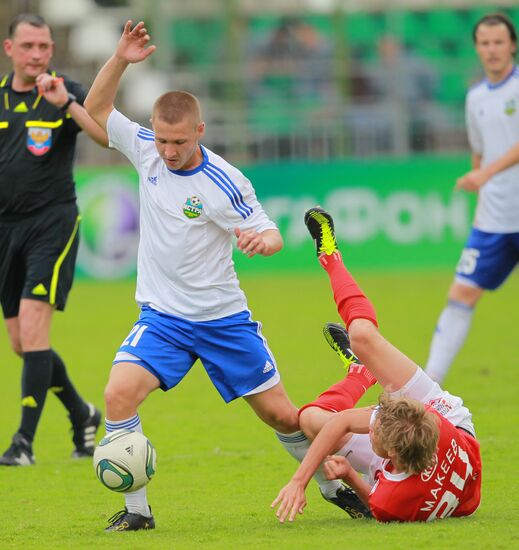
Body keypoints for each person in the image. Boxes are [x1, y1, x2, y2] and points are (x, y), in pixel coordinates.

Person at [84, 21, 352, 532]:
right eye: (162, 139)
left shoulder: (223, 181)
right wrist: (119, 58)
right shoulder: (144, 149)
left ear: (199, 133)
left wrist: (259, 242)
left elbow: (270, 233)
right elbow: (97, 110)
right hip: (163, 318)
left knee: (281, 416)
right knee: (118, 394)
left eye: (179, 142)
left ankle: (334, 488)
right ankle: (138, 513)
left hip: (222, 319)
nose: (167, 150)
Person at [271, 207, 482, 523]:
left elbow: (377, 502)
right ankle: (330, 257)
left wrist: (351, 476)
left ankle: (359, 373)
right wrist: (299, 481)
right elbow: (344, 423)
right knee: (362, 336)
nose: (370, 433)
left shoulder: (391, 502)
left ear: (391, 458)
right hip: (454, 426)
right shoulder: (433, 422)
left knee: (311, 419)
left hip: (424, 462)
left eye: (375, 437)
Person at [0, 14, 108, 466]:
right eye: (28, 46)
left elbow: (104, 137)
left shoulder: (67, 91)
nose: (38, 54)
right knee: (23, 343)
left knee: (33, 327)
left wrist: (67, 104)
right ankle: (82, 413)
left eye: (44, 46)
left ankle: (23, 443)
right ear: (10, 50)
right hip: (6, 231)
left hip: (53, 223)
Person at [425, 13, 519, 384]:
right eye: (485, 43)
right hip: (494, 219)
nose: (492, 50)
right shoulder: (476, 97)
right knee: (461, 292)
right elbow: (479, 151)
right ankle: (429, 385)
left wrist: (486, 173)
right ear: (477, 48)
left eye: (499, 42)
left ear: (511, 45)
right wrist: (481, 185)